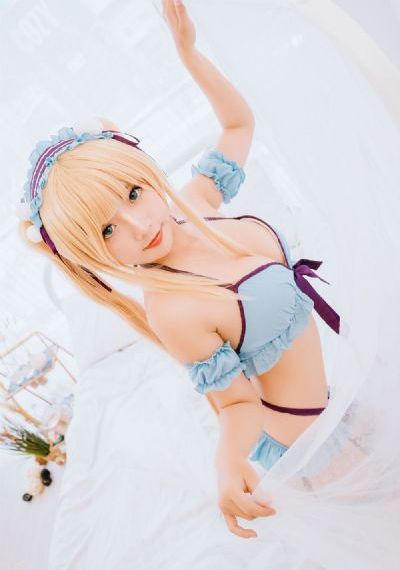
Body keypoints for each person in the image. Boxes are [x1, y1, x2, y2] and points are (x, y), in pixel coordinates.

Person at [16, 0, 343, 540]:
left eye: (133, 193)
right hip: (305, 437)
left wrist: (189, 55)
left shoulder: (194, 202)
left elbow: (238, 124)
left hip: (333, 395)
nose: (139, 224)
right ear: (94, 254)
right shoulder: (172, 310)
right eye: (107, 230)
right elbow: (236, 403)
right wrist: (227, 463)